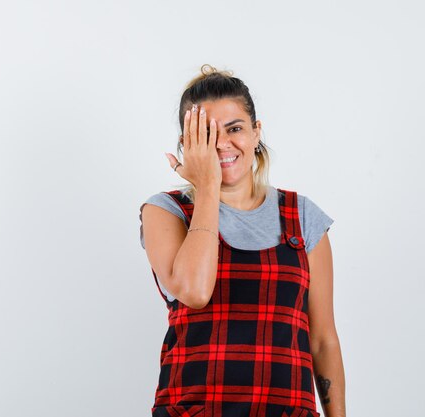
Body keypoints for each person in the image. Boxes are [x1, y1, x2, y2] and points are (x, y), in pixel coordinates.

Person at [139, 65, 346, 417]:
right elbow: (194, 290)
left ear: (256, 132)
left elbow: (323, 339)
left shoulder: (303, 217)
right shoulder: (166, 211)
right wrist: (207, 188)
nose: (222, 144)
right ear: (186, 145)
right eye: (205, 135)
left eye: (235, 128)